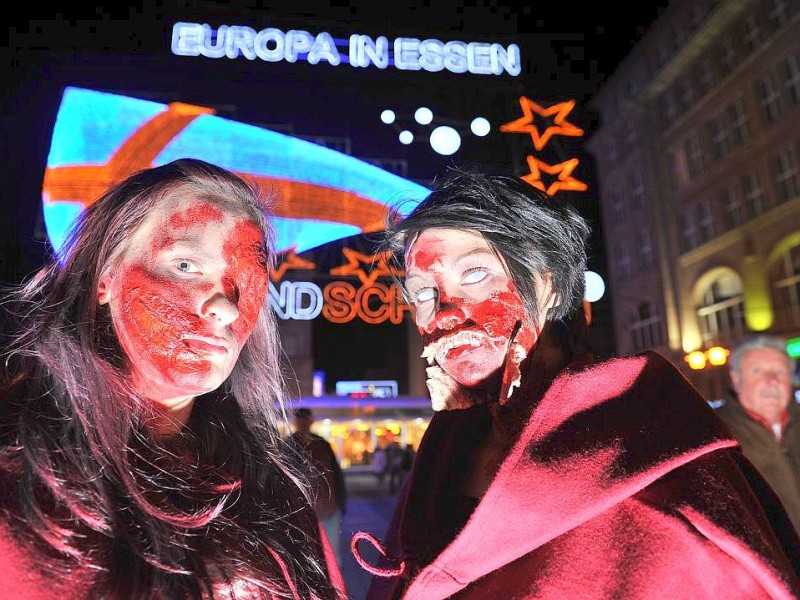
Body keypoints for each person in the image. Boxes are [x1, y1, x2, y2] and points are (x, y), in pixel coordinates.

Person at [351, 168, 800, 599]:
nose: (444, 312)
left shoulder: (659, 470)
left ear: (547, 287)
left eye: (475, 273)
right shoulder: (448, 444)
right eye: (423, 292)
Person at [0, 158, 345, 599]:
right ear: (105, 278)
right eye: (186, 265)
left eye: (245, 277)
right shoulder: (18, 483)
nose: (227, 307)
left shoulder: (275, 492)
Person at [716, 334, 800, 535]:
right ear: (736, 379)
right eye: (758, 371)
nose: (771, 381)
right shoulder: (716, 435)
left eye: (779, 371)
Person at [289, 408, 347, 565]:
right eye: (299, 419)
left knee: (332, 553)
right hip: (301, 510)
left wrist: (340, 501)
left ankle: (334, 587)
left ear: (310, 421)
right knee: (305, 554)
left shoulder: (322, 444)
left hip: (327, 507)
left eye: (305, 419)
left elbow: (336, 474)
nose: (302, 423)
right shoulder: (287, 445)